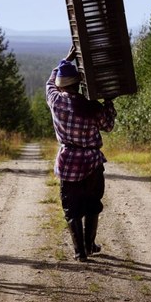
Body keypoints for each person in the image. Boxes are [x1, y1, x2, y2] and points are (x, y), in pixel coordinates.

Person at [46, 46, 116, 262]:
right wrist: (108, 102)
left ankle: (80, 252)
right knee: (92, 204)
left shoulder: (55, 101)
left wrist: (66, 59)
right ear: (78, 84)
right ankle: (89, 244)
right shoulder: (91, 107)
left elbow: (50, 81)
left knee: (71, 207)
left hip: (68, 162)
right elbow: (109, 125)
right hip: (92, 163)